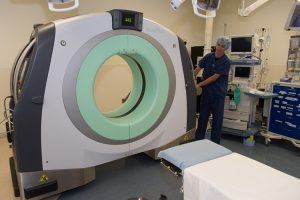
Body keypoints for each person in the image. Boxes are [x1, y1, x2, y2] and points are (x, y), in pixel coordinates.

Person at [194, 36, 231, 144]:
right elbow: (198, 68)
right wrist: (190, 78)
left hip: (218, 95)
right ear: (216, 44)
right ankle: (198, 141)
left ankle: (215, 144)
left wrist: (199, 85)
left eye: (223, 46)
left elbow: (214, 77)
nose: (219, 48)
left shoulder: (226, 61)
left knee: (217, 120)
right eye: (218, 45)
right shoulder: (208, 56)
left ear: (226, 48)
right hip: (206, 94)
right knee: (202, 118)